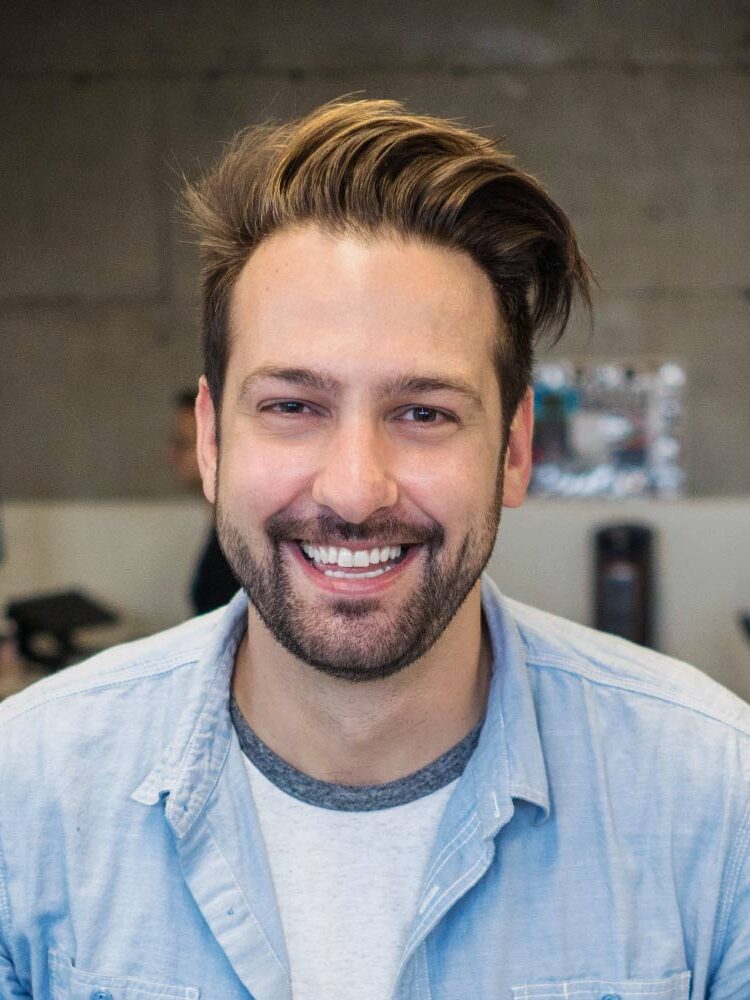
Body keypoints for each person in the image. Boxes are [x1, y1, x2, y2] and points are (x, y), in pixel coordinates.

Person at [1, 99, 748, 1000]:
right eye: (292, 406)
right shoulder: (26, 794)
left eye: (424, 412)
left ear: (515, 451)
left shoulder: (715, 800)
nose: (355, 490)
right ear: (210, 440)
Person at [168, 388, 239, 613]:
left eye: (183, 443)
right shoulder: (220, 526)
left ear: (213, 450)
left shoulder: (239, 540)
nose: (172, 454)